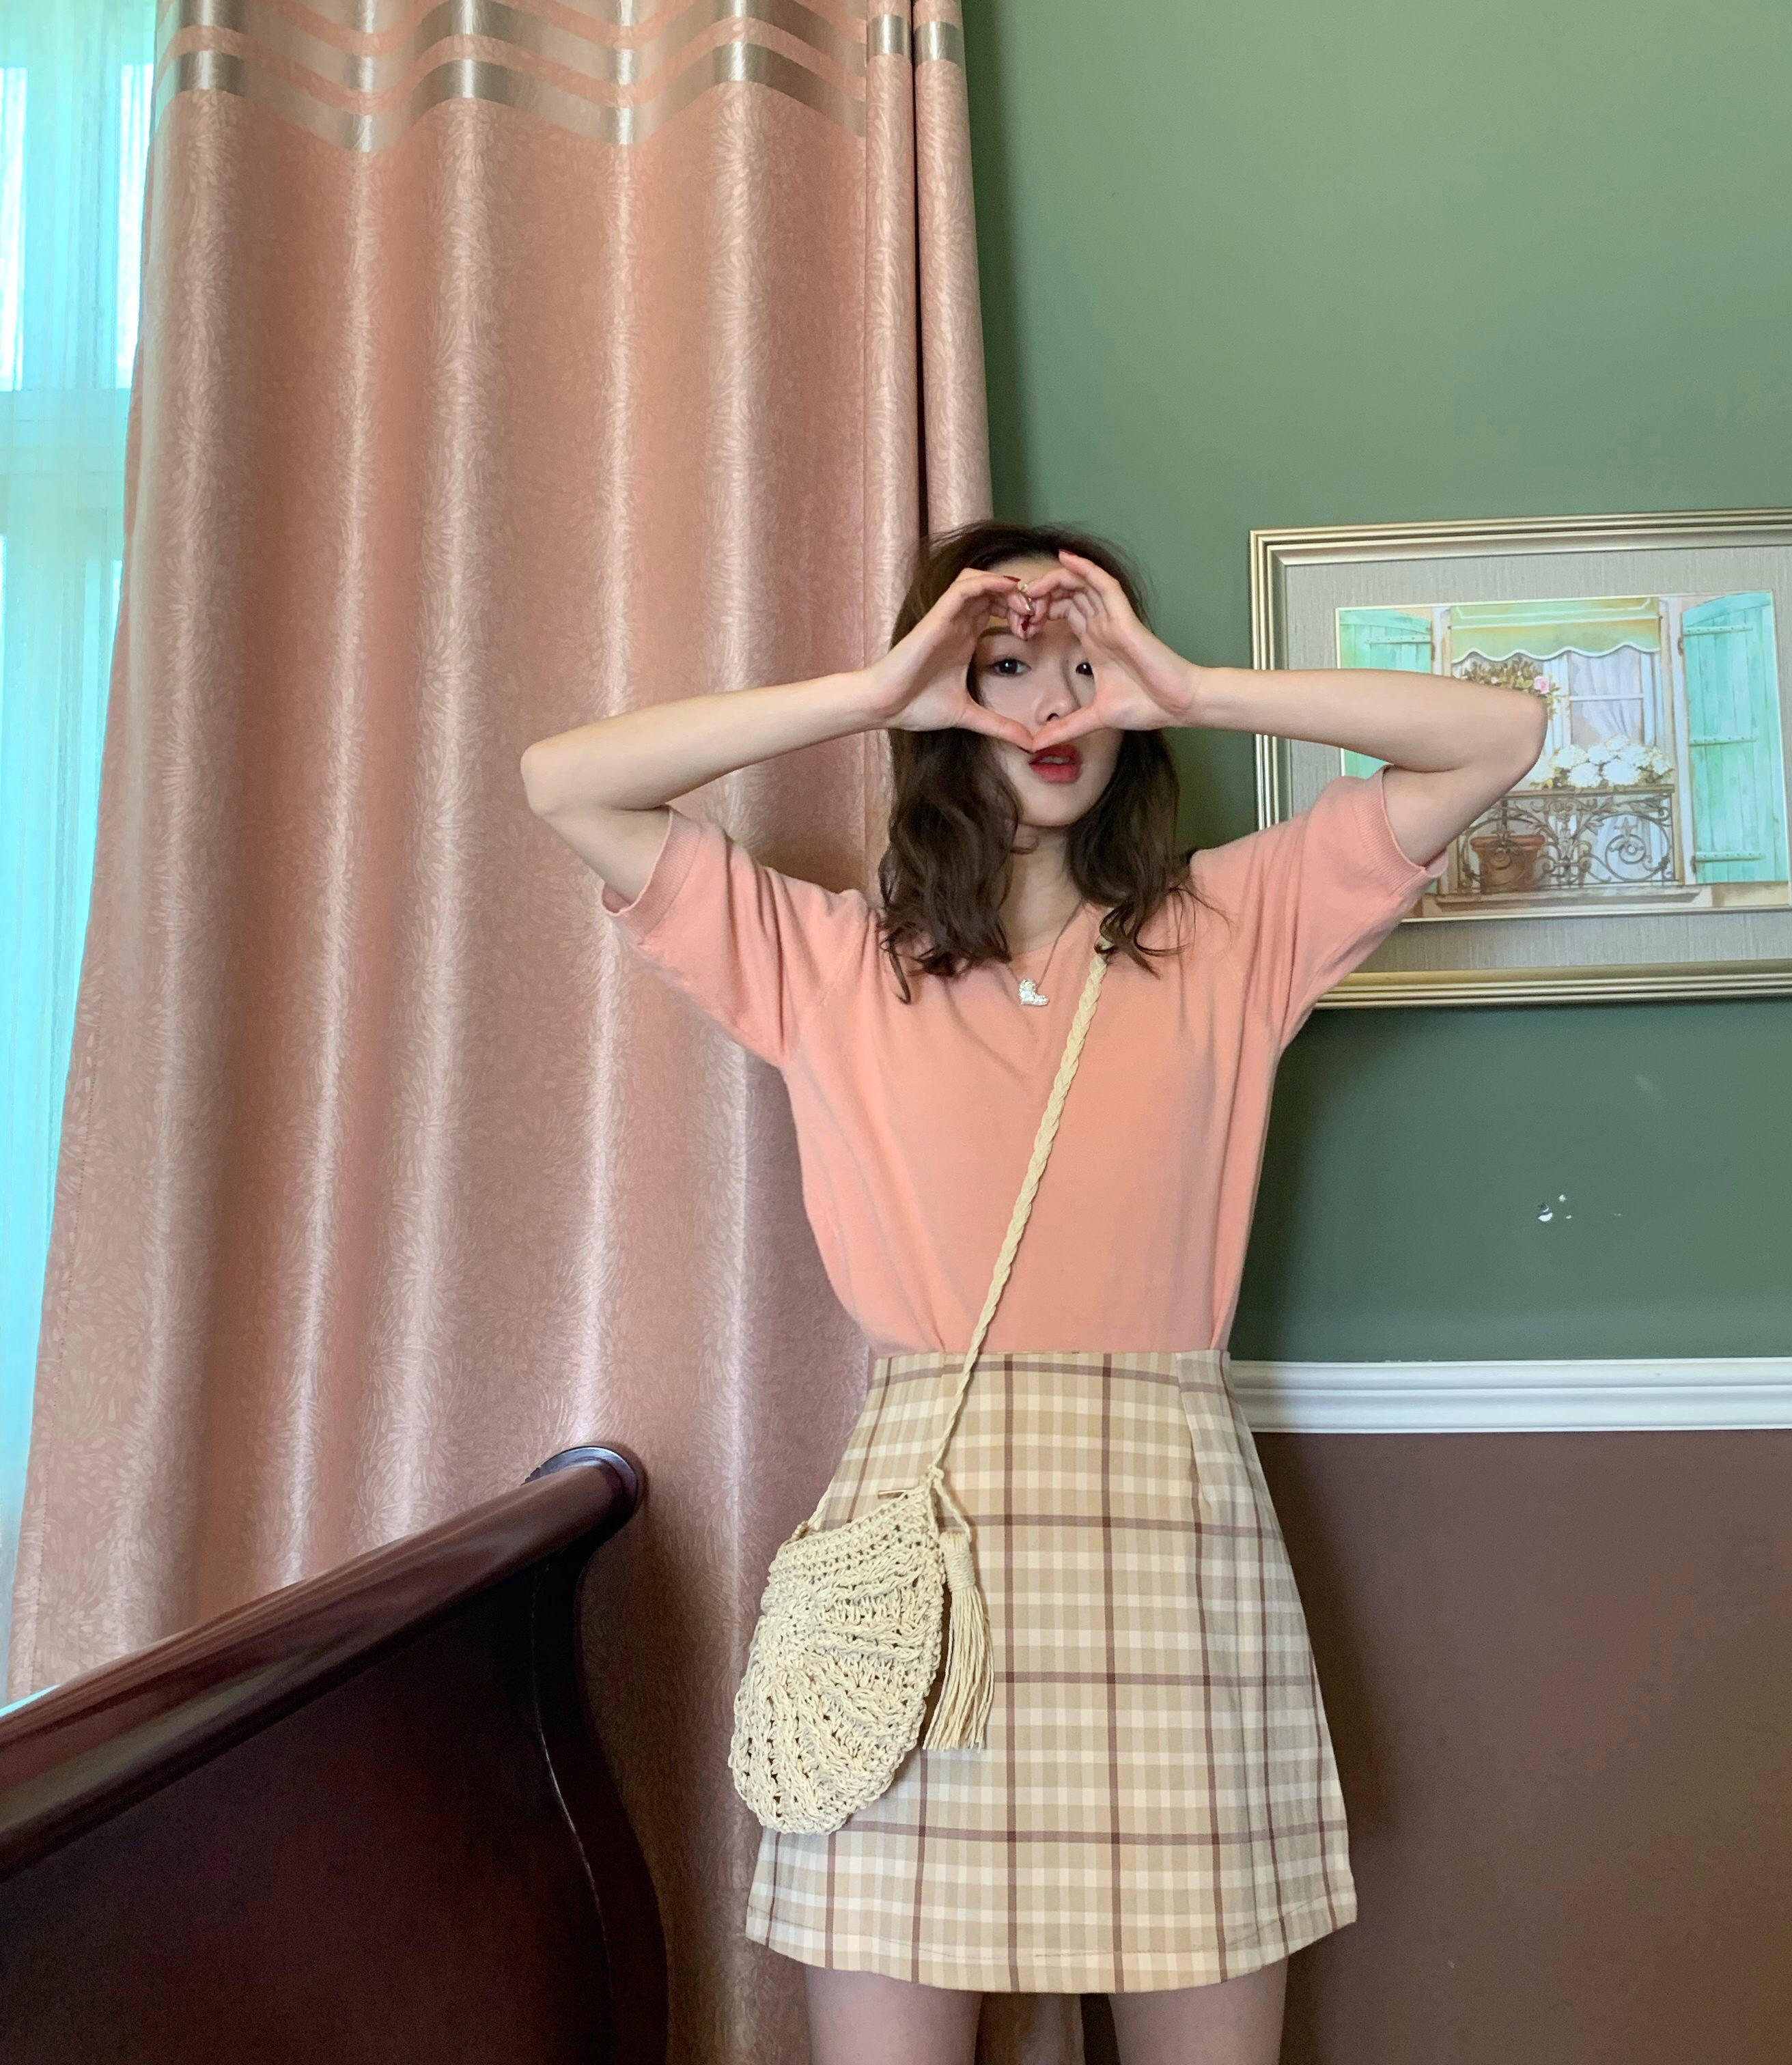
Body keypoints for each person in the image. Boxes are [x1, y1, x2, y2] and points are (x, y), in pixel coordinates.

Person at [521, 520, 1545, 2065]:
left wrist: (1187, 686)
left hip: (1169, 1542)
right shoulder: (826, 961)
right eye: (1007, 667)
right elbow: (565, 782)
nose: (1054, 707)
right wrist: (880, 689)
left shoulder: (1234, 929)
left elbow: (1501, 736)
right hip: (920, 1567)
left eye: (1083, 667)